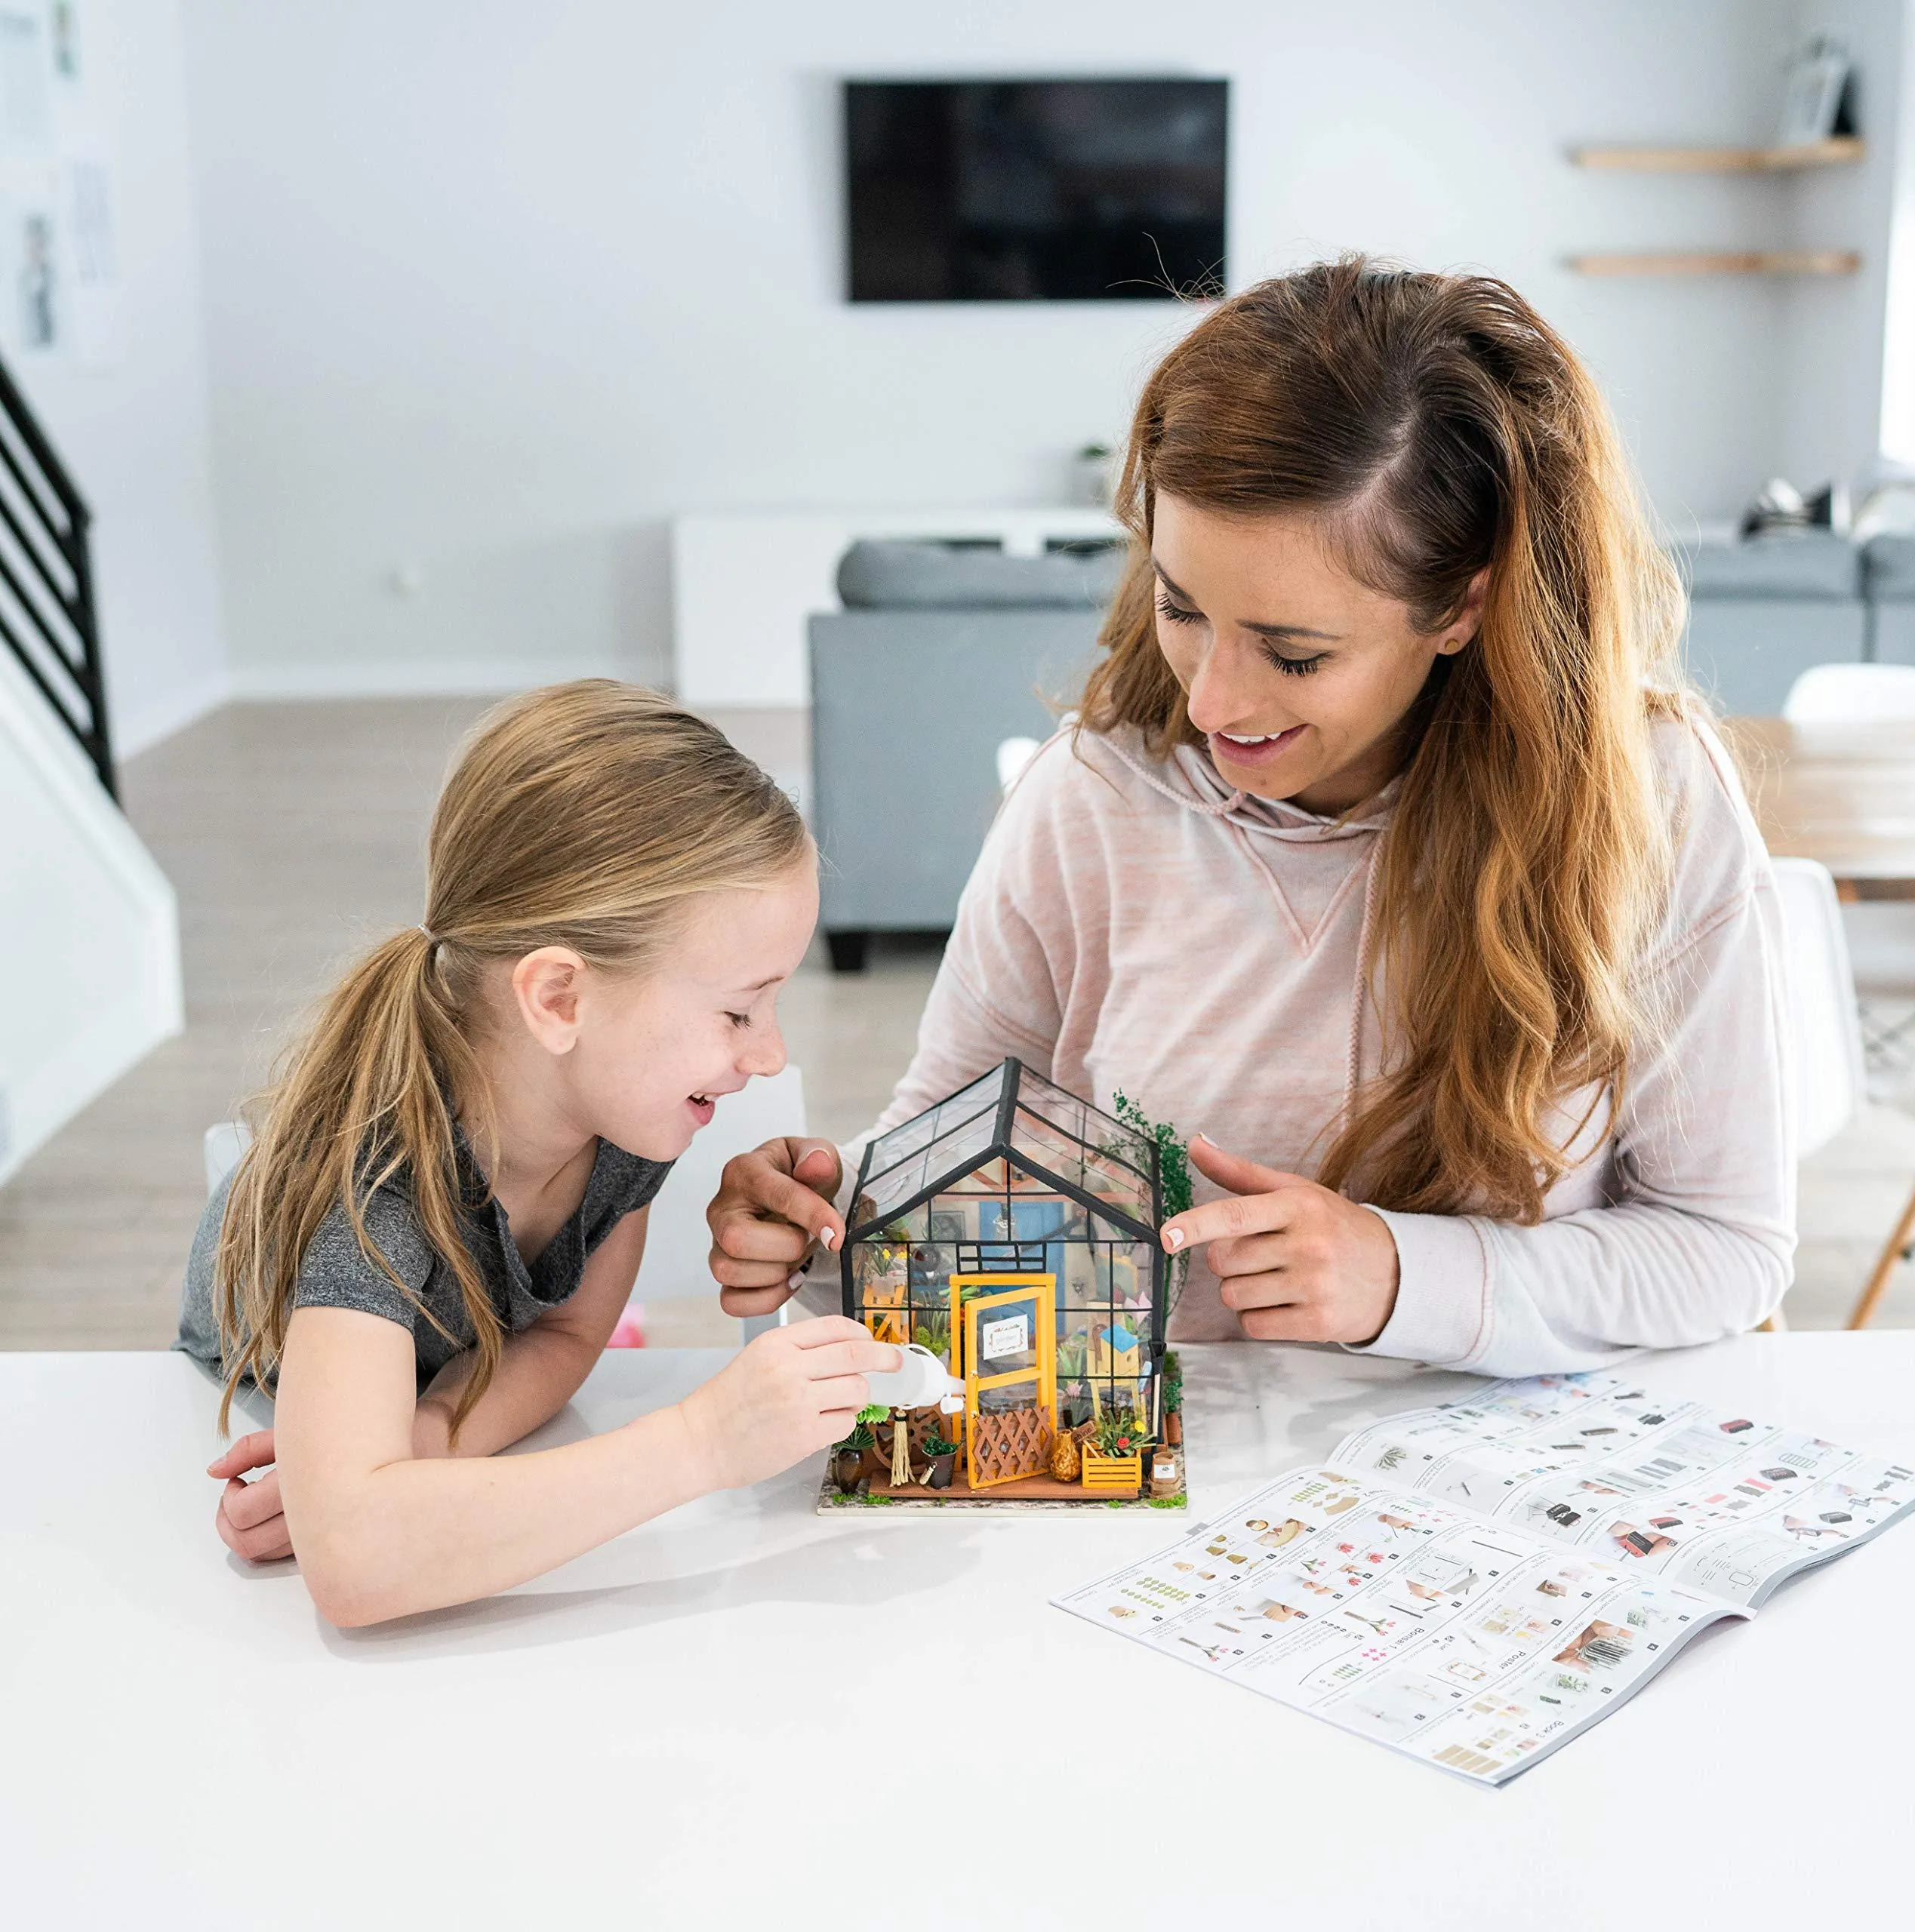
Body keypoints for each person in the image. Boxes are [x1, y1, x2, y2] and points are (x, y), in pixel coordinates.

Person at [709, 258, 1793, 1375]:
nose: (1211, 703)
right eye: (1183, 608)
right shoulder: (1090, 797)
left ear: (1464, 604)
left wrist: (1398, 1275)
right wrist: (824, 1231)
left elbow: (1725, 1248)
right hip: (1178, 1472)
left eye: (1294, 652)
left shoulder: (1651, 801)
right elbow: (952, 1154)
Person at [177, 681, 896, 1626]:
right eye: (735, 1010)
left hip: (436, 1360)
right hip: (231, 1379)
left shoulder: (626, 1119)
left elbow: (559, 1334)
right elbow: (352, 1564)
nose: (770, 1054)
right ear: (559, 999)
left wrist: (427, 1443)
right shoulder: (377, 1191)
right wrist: (701, 1442)